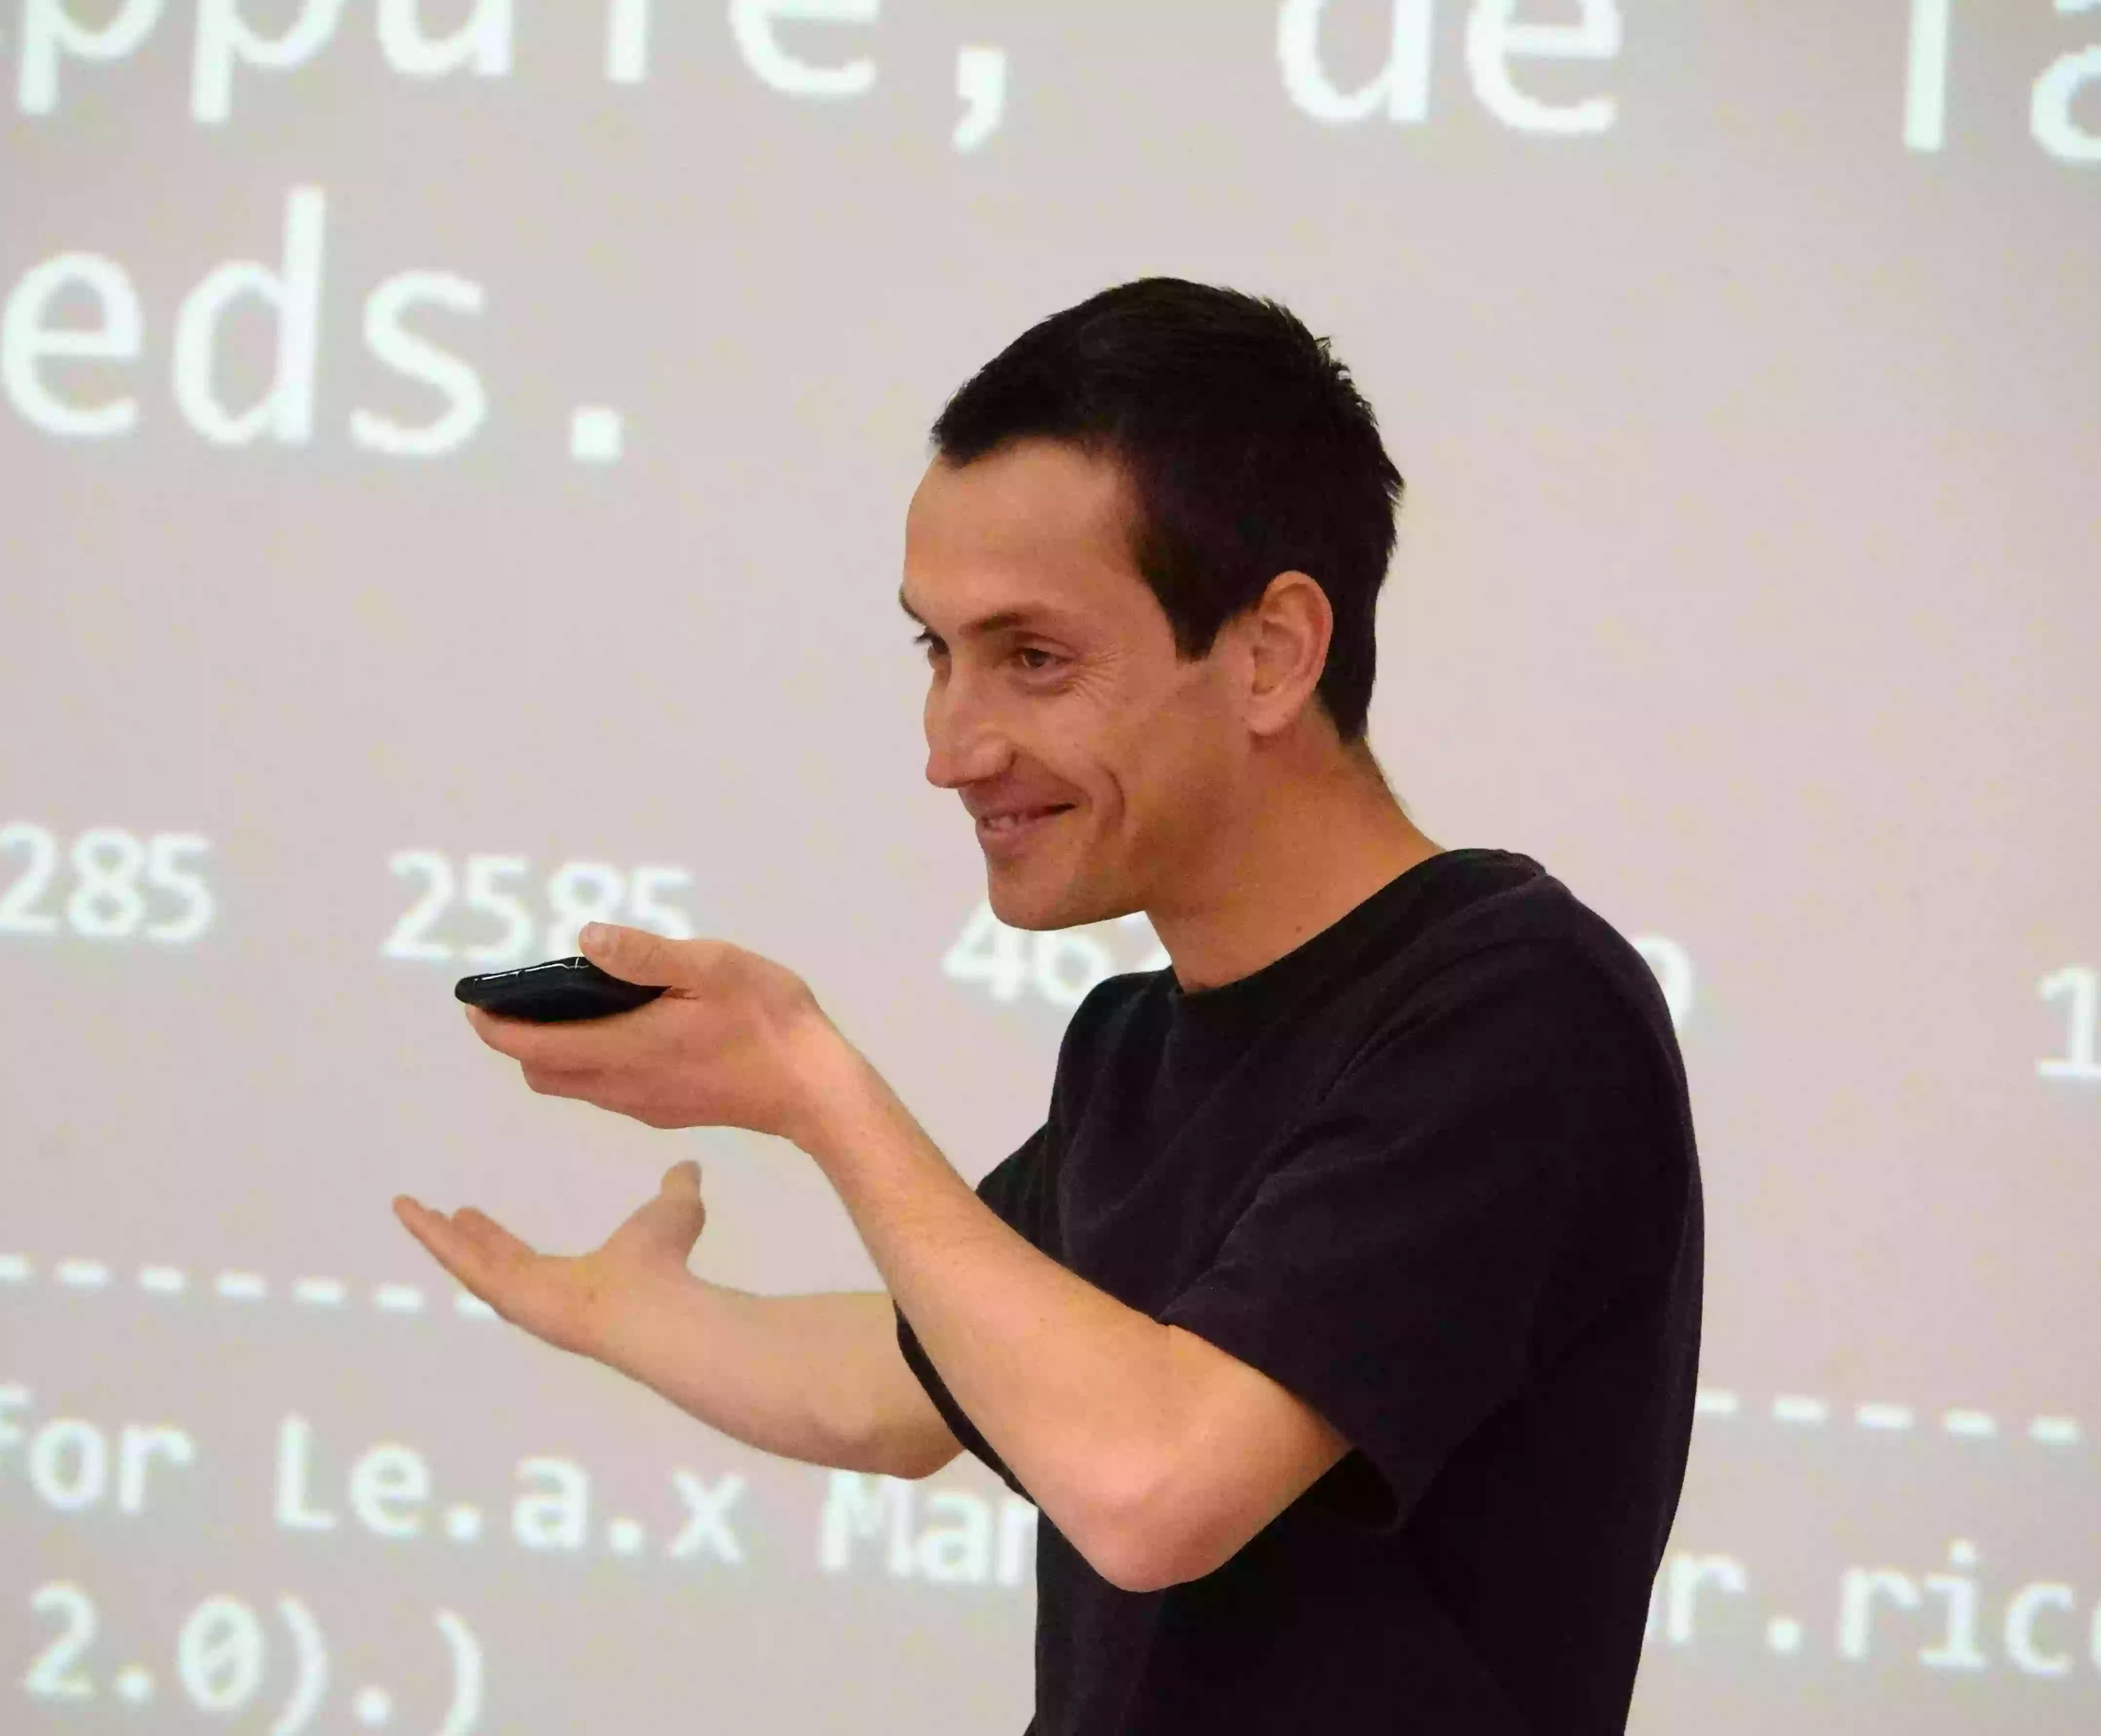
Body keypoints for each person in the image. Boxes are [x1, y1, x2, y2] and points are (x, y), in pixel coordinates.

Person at [394, 276, 1703, 1734]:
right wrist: (621, 1309)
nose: (951, 749)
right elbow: (902, 1389)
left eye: (1033, 659)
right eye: (937, 653)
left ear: (1272, 653)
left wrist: (814, 1085)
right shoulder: (1138, 1046)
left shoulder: (1518, 1012)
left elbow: (1153, 1486)